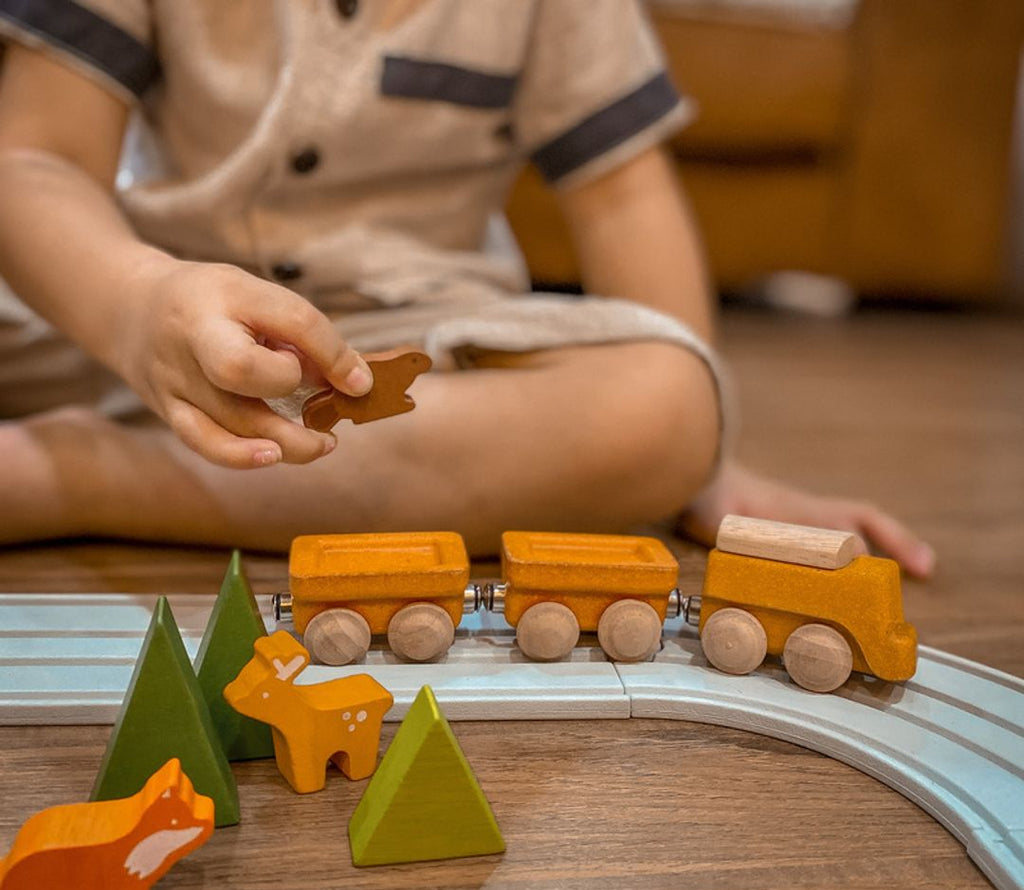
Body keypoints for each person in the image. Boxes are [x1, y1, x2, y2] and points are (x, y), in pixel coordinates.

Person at [0, 0, 934, 576]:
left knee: (666, 408)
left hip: (417, 348)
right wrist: (135, 304)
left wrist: (705, 463)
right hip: (126, 319)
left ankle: (56, 476)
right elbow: (35, 161)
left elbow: (624, 198)